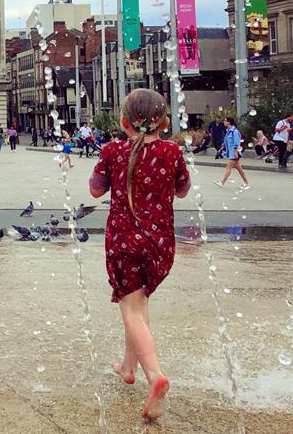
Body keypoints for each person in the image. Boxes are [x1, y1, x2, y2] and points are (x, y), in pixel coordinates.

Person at [88, 88, 190, 422]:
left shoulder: (113, 150)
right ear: (164, 122)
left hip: (124, 242)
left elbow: (95, 190)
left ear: (123, 121)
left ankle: (154, 375)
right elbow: (183, 189)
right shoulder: (172, 151)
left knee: (132, 310)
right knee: (139, 304)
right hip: (160, 243)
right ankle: (128, 367)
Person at [215, 116, 250, 189]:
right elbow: (225, 141)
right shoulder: (228, 131)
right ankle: (246, 183)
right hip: (231, 153)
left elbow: (237, 142)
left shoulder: (235, 131)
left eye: (225, 121)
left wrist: (235, 151)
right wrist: (222, 147)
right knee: (239, 169)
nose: (224, 122)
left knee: (228, 167)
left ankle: (222, 183)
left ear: (229, 122)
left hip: (234, 153)